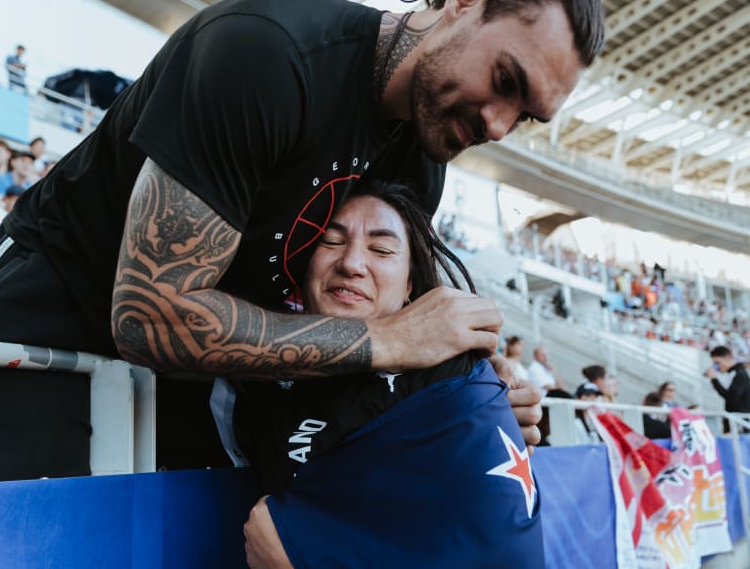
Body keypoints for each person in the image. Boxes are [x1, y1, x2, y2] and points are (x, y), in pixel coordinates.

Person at [0, 0, 604, 487]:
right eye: (505, 82)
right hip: (48, 322)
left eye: (527, 115)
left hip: (198, 378)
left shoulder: (421, 157)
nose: (499, 124)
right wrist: (391, 340)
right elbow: (151, 315)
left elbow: (370, 340)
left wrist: (468, 401)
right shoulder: (271, 54)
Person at [230, 182, 543, 568]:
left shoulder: (455, 384)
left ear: (410, 286)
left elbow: (500, 547)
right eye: (329, 241)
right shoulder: (258, 374)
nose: (352, 264)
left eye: (381, 250)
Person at [706, 345, 750, 433]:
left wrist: (714, 380)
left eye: (718, 362)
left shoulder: (739, 373)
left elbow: (731, 397)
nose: (717, 366)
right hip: (735, 423)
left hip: (739, 425)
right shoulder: (733, 373)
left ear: (727, 357)